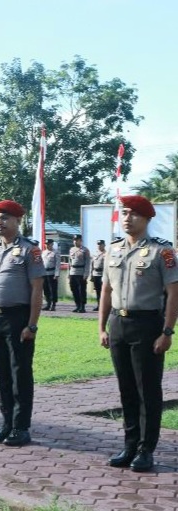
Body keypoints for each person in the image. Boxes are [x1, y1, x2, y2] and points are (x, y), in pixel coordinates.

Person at [99, 195, 177, 472]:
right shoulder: (114, 250)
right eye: (124, 213)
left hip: (147, 326)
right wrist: (101, 327)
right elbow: (106, 291)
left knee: (147, 390)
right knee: (126, 389)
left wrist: (167, 331)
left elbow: (173, 293)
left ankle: (146, 450)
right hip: (119, 324)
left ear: (146, 218)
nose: (127, 218)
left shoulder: (162, 252)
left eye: (133, 213)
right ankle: (130, 445)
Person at [0, 200, 44, 448]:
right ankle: (6, 423)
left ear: (18, 221)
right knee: (1, 373)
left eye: (5, 218)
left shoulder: (30, 250)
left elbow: (37, 289)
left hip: (18, 318)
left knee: (20, 373)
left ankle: (21, 426)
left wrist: (32, 324)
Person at [68, 235, 91, 313]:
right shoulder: (71, 249)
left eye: (76, 240)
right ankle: (77, 305)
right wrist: (69, 272)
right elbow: (70, 262)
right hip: (72, 272)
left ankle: (82, 306)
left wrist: (86, 273)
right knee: (74, 289)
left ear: (80, 241)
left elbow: (88, 262)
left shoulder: (85, 250)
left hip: (81, 272)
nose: (74, 241)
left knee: (81, 290)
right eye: (74, 240)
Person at [41, 239, 60, 311]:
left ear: (52, 244)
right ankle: (48, 303)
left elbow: (58, 264)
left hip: (52, 273)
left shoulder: (55, 252)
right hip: (44, 273)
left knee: (53, 289)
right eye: (46, 244)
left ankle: (53, 304)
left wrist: (57, 274)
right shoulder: (43, 252)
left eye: (48, 244)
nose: (47, 245)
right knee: (46, 289)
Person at [90, 240, 106, 312]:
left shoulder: (106, 254)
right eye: (98, 244)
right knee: (97, 291)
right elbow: (92, 265)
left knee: (103, 291)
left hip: (102, 274)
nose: (99, 246)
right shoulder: (95, 254)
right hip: (95, 274)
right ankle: (99, 305)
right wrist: (91, 275)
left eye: (100, 244)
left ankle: (104, 306)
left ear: (104, 245)